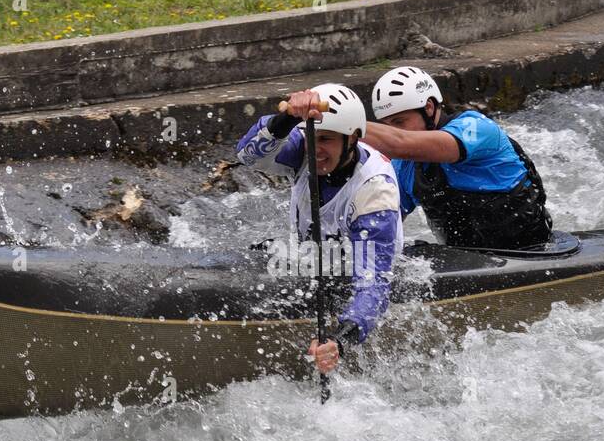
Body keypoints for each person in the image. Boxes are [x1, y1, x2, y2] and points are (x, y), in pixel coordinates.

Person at [236, 83, 404, 375]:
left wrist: (340, 340)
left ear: (352, 139)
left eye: (326, 139)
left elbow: (372, 283)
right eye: (311, 136)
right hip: (313, 257)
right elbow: (247, 155)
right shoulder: (302, 149)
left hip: (358, 268)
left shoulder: (375, 192)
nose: (316, 149)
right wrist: (288, 118)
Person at [364, 65, 552, 250]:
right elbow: (382, 226)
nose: (393, 131)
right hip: (465, 262)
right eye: (387, 126)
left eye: (399, 122)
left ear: (428, 107)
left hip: (531, 248)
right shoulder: (402, 167)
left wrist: (348, 124)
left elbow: (399, 143)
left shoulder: (476, 128)